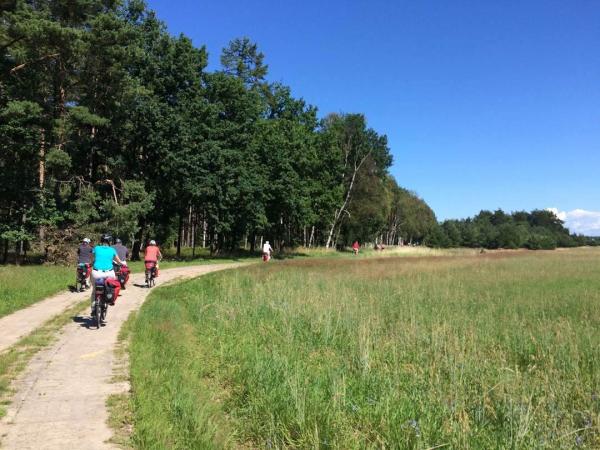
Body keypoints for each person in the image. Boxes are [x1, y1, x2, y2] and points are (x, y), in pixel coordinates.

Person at [91, 234, 123, 313]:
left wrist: (93, 262)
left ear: (101, 241)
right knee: (112, 285)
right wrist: (121, 264)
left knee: (94, 290)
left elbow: (92, 258)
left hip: (96, 273)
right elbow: (118, 261)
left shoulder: (96, 248)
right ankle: (109, 298)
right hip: (109, 273)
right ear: (110, 242)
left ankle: (93, 308)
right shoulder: (112, 250)